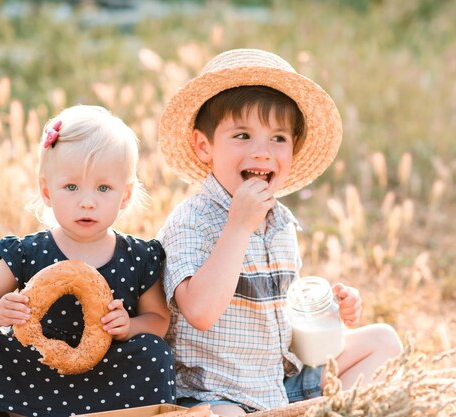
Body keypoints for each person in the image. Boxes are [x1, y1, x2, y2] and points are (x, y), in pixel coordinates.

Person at [156, 49, 402, 416]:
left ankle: (310, 409)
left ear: (293, 149)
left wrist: (328, 313)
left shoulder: (282, 224)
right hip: (214, 392)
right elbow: (200, 312)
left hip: (278, 382)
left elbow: (282, 327)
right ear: (204, 146)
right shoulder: (191, 220)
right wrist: (239, 226)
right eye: (242, 135)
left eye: (278, 139)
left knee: (384, 341)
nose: (262, 152)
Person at [0, 105, 176, 417]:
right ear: (46, 190)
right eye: (71, 186)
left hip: (105, 376)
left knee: (155, 353)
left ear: (124, 196)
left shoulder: (137, 257)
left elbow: (159, 320)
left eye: (104, 188)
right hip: (31, 370)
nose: (87, 201)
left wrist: (129, 326)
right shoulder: (29, 251)